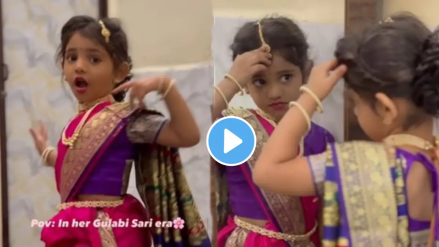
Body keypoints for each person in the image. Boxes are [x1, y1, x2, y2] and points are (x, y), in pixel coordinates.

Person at [253, 13, 439, 246]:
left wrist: (310, 95)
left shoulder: (357, 166)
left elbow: (266, 172)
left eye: (355, 104)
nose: (356, 112)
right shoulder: (433, 161)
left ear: (385, 109)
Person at [29, 16, 211, 247]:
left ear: (119, 72)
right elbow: (72, 164)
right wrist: (45, 152)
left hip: (111, 230)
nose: (80, 66)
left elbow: (188, 136)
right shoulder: (76, 123)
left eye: (94, 59)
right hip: (74, 227)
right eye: (71, 57)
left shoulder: (126, 120)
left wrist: (165, 86)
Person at [211, 16, 335, 247]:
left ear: (306, 72)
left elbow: (325, 211)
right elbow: (196, 125)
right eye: (259, 81)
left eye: (286, 77)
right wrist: (232, 80)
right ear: (245, 84)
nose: (275, 92)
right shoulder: (237, 129)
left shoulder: (322, 138)